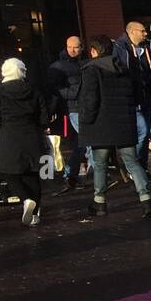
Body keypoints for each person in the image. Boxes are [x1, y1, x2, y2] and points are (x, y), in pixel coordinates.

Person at [80, 35, 151, 218]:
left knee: (100, 164)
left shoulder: (91, 70)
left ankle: (100, 202)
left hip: (101, 124)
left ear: (94, 51)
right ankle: (146, 200)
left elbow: (91, 100)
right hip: (124, 122)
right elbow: (138, 95)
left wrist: (86, 121)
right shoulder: (124, 68)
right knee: (132, 162)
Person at [0, 58, 50, 227]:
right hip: (32, 135)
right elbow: (44, 115)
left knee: (7, 172)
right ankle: (35, 214)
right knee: (33, 174)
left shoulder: (0, 91)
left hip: (9, 135)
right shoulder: (33, 90)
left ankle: (25, 199)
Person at [113, 20, 151, 181]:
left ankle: (141, 168)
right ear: (132, 31)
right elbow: (120, 71)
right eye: (142, 31)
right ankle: (134, 167)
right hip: (132, 98)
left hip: (147, 96)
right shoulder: (120, 47)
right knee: (142, 132)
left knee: (145, 133)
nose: (145, 34)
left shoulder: (147, 48)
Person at [46, 34, 90, 192]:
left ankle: (70, 175)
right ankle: (99, 174)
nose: (72, 50)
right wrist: (71, 93)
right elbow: (53, 90)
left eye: (75, 47)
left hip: (80, 107)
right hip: (72, 108)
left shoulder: (82, 63)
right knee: (87, 142)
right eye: (69, 46)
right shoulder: (59, 66)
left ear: (81, 47)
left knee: (80, 145)